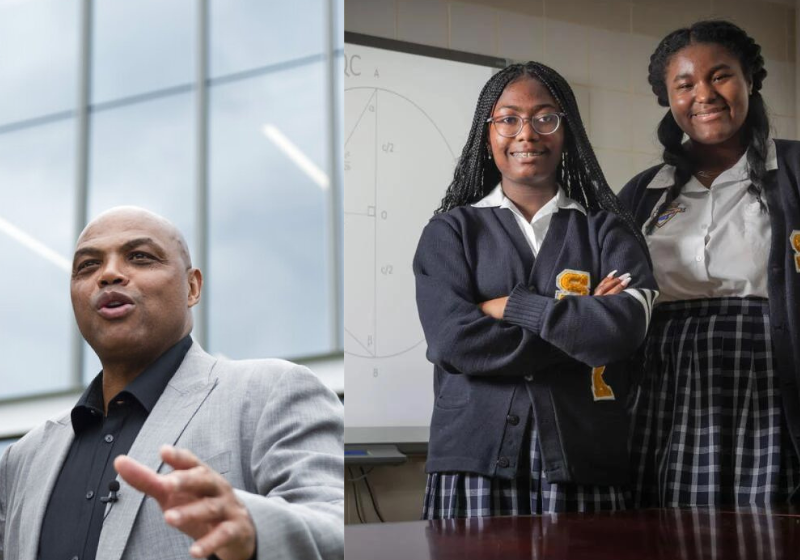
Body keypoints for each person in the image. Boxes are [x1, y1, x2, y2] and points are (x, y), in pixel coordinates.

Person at [0, 207, 344, 559]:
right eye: (88, 265)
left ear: (192, 287)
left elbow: (337, 524)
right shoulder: (23, 458)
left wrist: (254, 529)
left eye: (140, 257)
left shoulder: (270, 392)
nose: (109, 274)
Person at [413, 61, 659, 517]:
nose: (527, 133)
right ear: (487, 135)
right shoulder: (450, 232)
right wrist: (581, 325)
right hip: (472, 460)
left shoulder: (608, 232)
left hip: (584, 457)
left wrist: (514, 307)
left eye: (545, 118)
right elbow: (454, 342)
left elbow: (622, 332)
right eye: (508, 119)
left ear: (567, 131)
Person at [619, 20, 800, 507]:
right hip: (665, 385)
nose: (704, 94)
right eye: (685, 84)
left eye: (720, 76)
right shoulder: (643, 192)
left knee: (766, 524)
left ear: (749, 81)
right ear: (669, 99)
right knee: (665, 526)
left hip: (768, 379)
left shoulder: (795, 172)